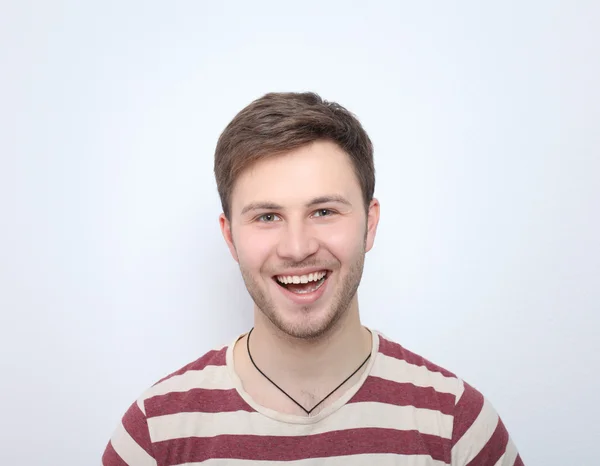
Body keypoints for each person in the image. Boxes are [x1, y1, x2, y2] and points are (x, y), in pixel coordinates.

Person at [102, 92, 524, 465]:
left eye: (323, 212)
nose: (297, 247)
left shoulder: (457, 427)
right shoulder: (153, 436)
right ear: (230, 237)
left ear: (369, 224)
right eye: (267, 217)